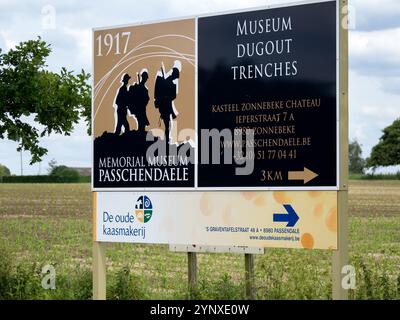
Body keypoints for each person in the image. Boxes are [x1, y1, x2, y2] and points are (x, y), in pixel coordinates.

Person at [154, 63, 180, 144]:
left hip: (167, 105)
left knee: (168, 125)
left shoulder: (171, 82)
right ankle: (166, 140)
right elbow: (164, 93)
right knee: (167, 124)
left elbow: (173, 96)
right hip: (165, 106)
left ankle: (167, 139)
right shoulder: (168, 81)